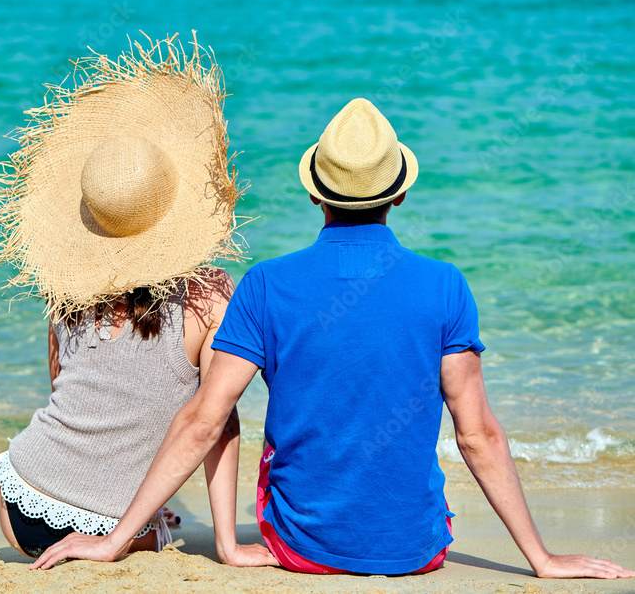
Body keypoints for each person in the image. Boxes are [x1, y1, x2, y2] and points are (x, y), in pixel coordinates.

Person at [31, 98, 635, 580]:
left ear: (314, 192)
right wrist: (542, 558)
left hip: (296, 548)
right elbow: (478, 436)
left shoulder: (267, 285)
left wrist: (115, 540)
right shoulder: (446, 286)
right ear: (399, 192)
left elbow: (204, 421)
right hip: (412, 551)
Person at [0, 34, 267, 562]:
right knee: (217, 402)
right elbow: (216, 423)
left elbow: (66, 386)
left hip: (18, 500)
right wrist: (227, 545)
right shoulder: (208, 294)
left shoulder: (66, 284)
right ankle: (149, 520)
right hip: (109, 524)